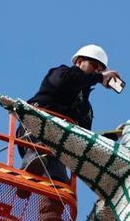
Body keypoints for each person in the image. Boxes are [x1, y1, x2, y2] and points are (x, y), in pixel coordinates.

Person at [20, 44, 122, 183]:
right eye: (94, 65)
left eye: (100, 69)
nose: (97, 71)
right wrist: (99, 77)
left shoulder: (85, 107)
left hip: (57, 146)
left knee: (60, 180)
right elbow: (67, 81)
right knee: (42, 150)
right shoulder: (60, 72)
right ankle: (30, 169)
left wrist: (114, 135)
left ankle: (49, 195)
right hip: (34, 128)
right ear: (79, 62)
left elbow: (85, 138)